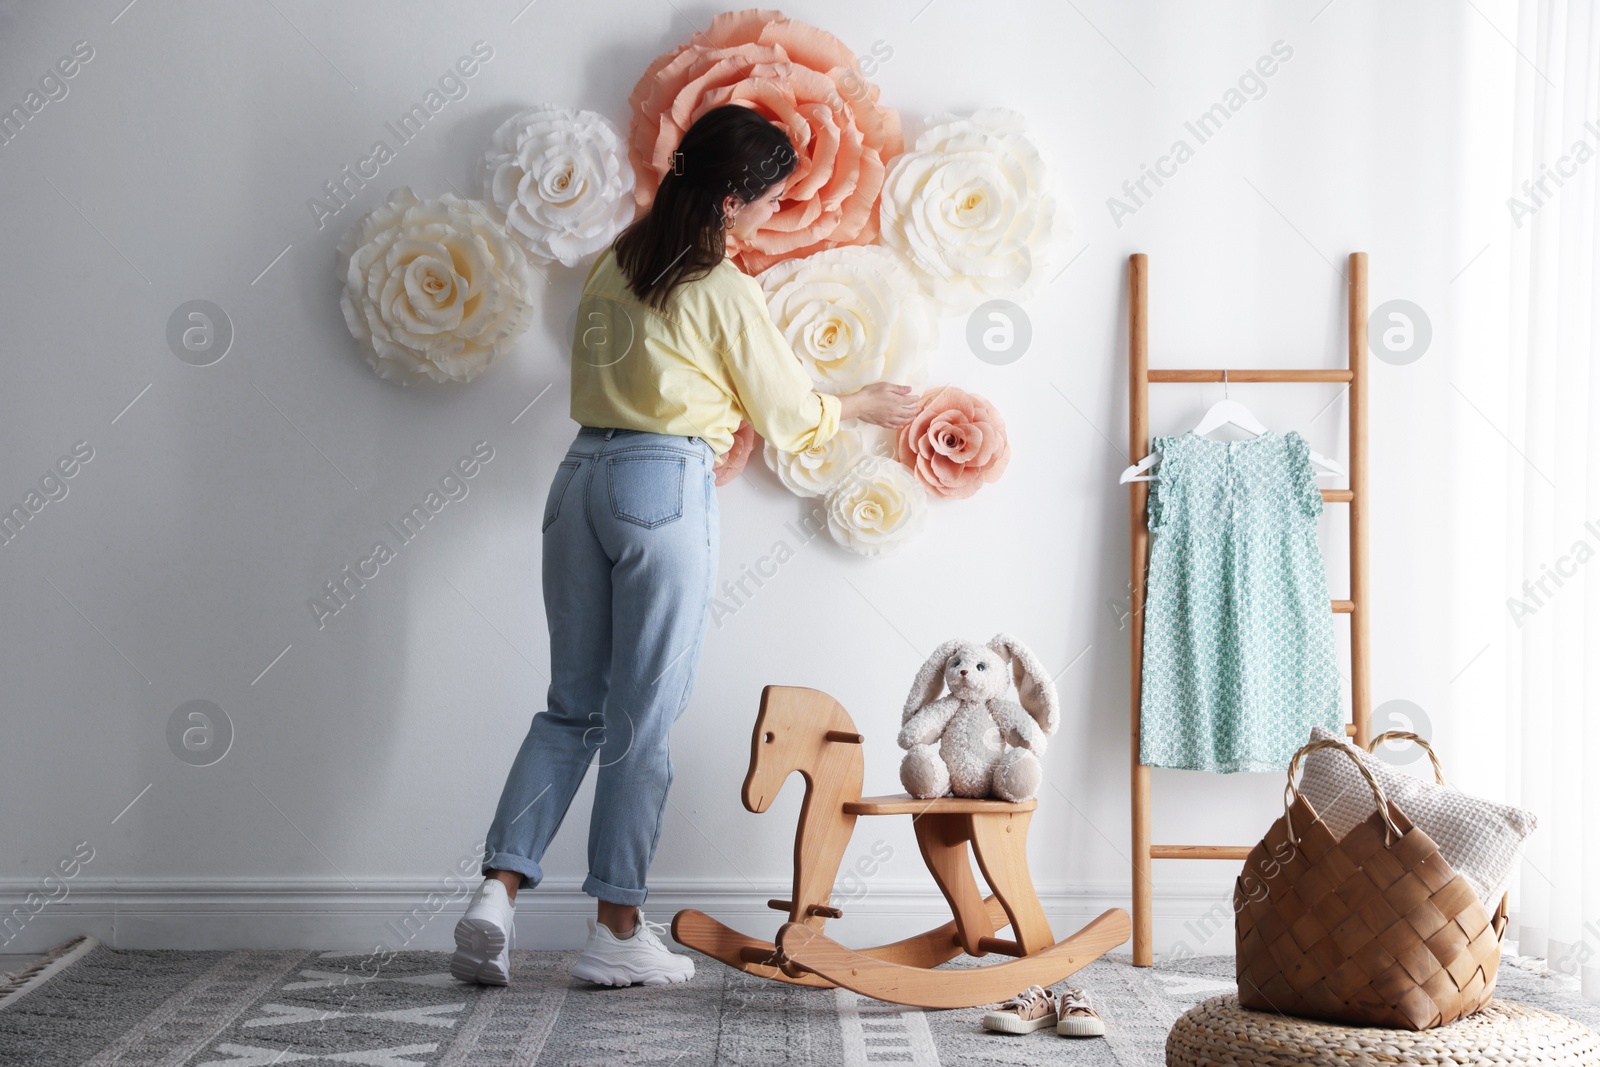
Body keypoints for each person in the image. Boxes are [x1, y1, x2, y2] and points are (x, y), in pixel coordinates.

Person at [450, 103, 920, 987]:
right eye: (771, 199)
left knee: (571, 707)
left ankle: (497, 894)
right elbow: (787, 416)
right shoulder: (718, 286)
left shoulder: (611, 267)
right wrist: (857, 404)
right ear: (736, 197)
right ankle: (615, 929)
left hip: (576, 480)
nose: (772, 214)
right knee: (642, 718)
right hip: (662, 484)